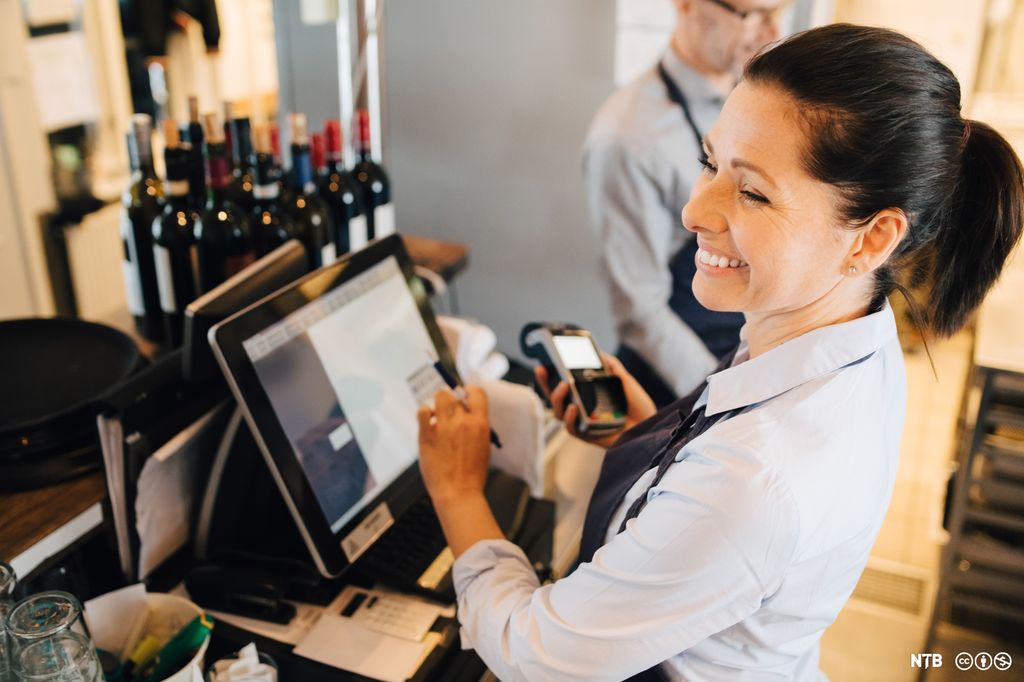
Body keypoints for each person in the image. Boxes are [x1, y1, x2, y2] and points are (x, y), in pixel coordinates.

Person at [417, 24, 1024, 681]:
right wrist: (648, 437)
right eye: (710, 162)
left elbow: (536, 652)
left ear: (872, 239)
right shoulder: (847, 333)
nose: (694, 211)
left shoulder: (752, 481)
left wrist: (456, 490)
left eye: (754, 192)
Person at [583, 0, 786, 406]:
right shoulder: (627, 137)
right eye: (752, 14)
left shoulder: (760, 102)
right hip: (678, 386)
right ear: (686, 4)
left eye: (780, 10)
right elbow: (640, 310)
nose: (771, 31)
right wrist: (721, 397)